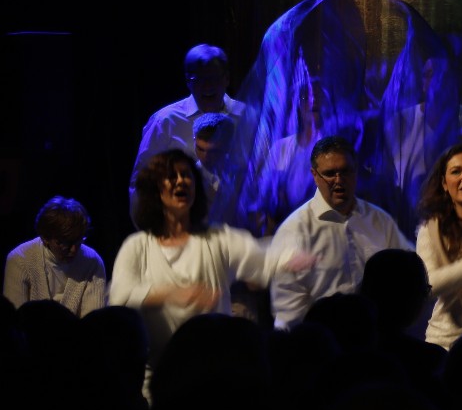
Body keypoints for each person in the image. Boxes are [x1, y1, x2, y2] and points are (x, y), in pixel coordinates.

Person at [108, 149, 297, 379]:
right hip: (160, 377)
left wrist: (288, 258)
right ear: (155, 189)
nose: (181, 181)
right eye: (172, 176)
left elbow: (261, 257)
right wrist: (171, 293)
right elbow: (119, 296)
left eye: (186, 175)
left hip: (214, 372)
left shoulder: (217, 239)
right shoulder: (137, 246)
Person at [269, 136, 413, 331]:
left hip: (377, 338)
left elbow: (409, 272)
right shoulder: (295, 230)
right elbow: (288, 310)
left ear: (356, 171)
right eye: (330, 174)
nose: (339, 180)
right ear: (315, 175)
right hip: (322, 342)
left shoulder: (379, 221)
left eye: (345, 171)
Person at [130, 45, 249, 182]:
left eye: (214, 78)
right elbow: (141, 180)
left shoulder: (248, 116)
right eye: (199, 79)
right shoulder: (164, 122)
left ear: (226, 78)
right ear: (188, 81)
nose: (207, 85)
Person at [3, 196, 107, 316]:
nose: (73, 250)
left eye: (78, 241)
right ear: (45, 238)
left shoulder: (93, 262)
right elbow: (16, 319)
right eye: (65, 243)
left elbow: (92, 322)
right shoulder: (20, 260)